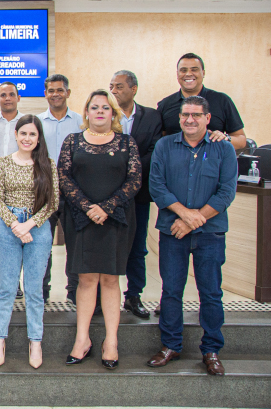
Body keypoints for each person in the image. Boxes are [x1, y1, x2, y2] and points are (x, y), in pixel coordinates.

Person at [147, 96, 238, 376]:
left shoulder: (223, 148)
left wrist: (194, 220)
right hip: (173, 231)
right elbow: (157, 187)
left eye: (196, 115)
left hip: (210, 233)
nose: (190, 119)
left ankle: (211, 350)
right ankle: (171, 345)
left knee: (210, 293)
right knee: (171, 291)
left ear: (207, 118)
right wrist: (186, 215)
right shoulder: (165, 146)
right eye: (185, 114)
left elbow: (226, 191)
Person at [59, 90, 140, 370]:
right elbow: (64, 177)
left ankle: (111, 341)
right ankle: (82, 339)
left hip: (115, 219)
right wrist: (88, 207)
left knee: (110, 279)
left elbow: (134, 180)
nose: (100, 111)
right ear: (87, 113)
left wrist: (105, 207)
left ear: (113, 113)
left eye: (105, 107)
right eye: (94, 107)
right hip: (81, 220)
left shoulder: (127, 143)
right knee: (86, 279)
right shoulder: (73, 142)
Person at [0, 115, 58, 369]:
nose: (27, 139)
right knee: (6, 287)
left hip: (37, 229)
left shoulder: (48, 164)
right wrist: (15, 224)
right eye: (23, 134)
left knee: (34, 289)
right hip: (9, 228)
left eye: (32, 134)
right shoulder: (4, 163)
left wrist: (29, 224)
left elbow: (53, 202)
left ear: (38, 138)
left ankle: (36, 341)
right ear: (16, 134)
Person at [109, 70, 162, 319]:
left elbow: (155, 150)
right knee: (109, 245)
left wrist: (131, 168)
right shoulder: (107, 114)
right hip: (109, 193)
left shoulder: (152, 116)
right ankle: (105, 297)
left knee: (137, 246)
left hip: (139, 194)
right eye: (112, 87)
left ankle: (133, 295)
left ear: (134, 88)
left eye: (119, 86)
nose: (114, 91)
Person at [38, 74, 83, 302]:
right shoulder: (36, 122)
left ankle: (74, 291)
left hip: (73, 192)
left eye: (60, 90)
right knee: (42, 245)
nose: (55, 94)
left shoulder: (80, 122)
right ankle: (41, 291)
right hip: (44, 193)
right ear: (45, 93)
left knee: (74, 244)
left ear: (68, 93)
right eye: (51, 90)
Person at [157, 53, 246, 150]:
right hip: (175, 163)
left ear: (203, 73)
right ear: (177, 74)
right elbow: (160, 140)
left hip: (212, 162)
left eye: (194, 70)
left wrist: (225, 139)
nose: (188, 74)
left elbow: (241, 140)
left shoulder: (222, 101)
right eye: (183, 70)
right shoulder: (165, 104)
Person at [0, 82, 24, 298]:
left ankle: (14, 282)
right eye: (3, 95)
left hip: (22, 185)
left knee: (17, 232)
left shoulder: (28, 122)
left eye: (11, 94)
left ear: (18, 97)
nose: (7, 98)